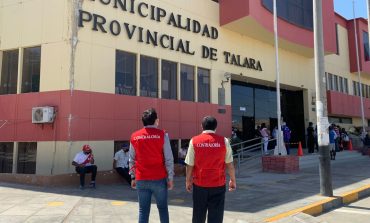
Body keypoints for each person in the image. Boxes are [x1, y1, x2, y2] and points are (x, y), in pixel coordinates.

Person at [185, 116, 236, 223]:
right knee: (216, 218)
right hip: (218, 185)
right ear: (216, 127)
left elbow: (190, 164)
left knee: (198, 216)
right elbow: (229, 164)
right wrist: (232, 179)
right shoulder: (224, 141)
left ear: (201, 126)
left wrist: (188, 180)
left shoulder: (194, 141)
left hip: (199, 185)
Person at [129, 108, 174, 223]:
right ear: (156, 120)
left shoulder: (135, 136)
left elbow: (131, 159)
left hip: (141, 178)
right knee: (163, 209)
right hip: (159, 178)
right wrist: (170, 178)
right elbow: (169, 158)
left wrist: (133, 177)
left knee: (143, 211)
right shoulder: (162, 135)